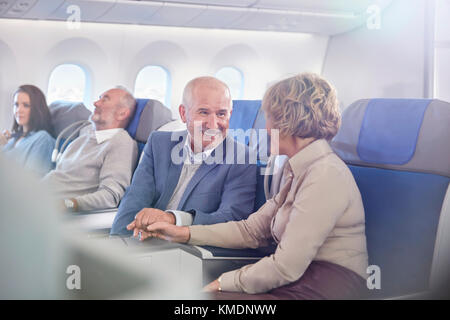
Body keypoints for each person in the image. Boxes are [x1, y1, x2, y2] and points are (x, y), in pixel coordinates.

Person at [143, 73, 369, 299]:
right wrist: (182, 233)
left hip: (327, 287)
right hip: (297, 279)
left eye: (269, 118)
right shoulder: (298, 170)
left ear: (288, 120)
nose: (266, 128)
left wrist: (222, 283)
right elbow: (250, 231)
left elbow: (285, 267)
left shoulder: (325, 174)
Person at [110, 76, 257, 236]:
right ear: (183, 113)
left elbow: (231, 219)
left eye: (221, 114)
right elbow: (134, 201)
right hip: (144, 242)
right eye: (204, 112)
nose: (213, 124)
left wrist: (173, 219)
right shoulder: (159, 143)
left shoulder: (242, 158)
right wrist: (118, 244)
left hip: (190, 250)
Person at [42, 87, 138, 212]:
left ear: (122, 113)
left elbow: (111, 195)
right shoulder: (86, 134)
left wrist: (69, 204)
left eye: (105, 100)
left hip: (54, 210)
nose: (95, 103)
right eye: (99, 98)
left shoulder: (120, 142)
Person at [0, 85, 55, 176]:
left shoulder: (42, 139)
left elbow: (31, 181)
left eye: (26, 105)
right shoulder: (13, 138)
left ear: (37, 109)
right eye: (16, 105)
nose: (18, 110)